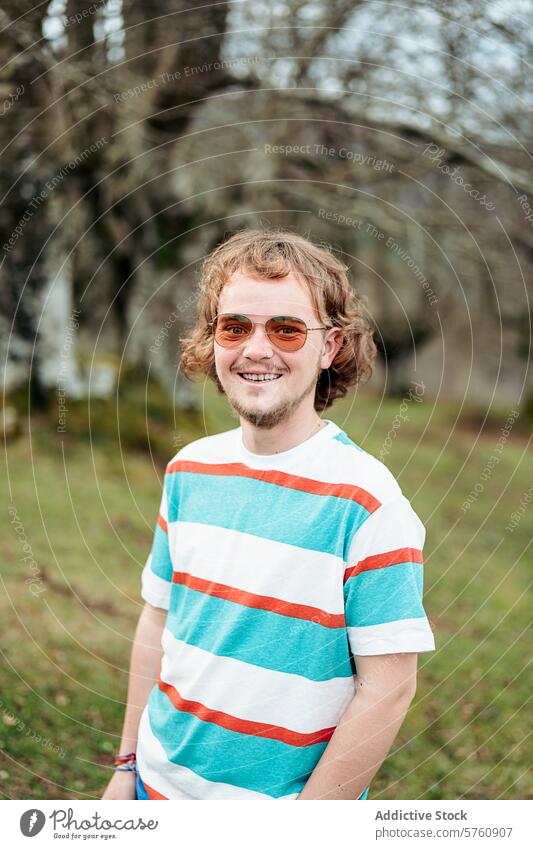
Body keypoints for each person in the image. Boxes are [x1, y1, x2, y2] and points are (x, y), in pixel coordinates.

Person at [102, 229, 436, 801]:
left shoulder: (369, 504)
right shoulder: (189, 471)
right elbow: (157, 621)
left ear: (329, 347)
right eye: (235, 327)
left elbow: (388, 689)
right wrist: (126, 768)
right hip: (151, 794)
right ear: (214, 341)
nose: (257, 349)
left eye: (285, 329)